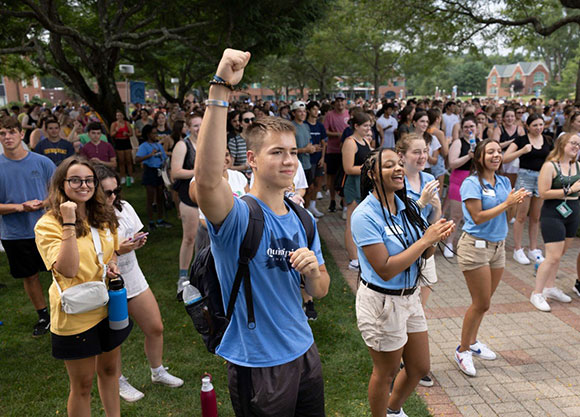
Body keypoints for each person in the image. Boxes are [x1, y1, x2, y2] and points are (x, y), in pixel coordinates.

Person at [194, 49, 329, 416]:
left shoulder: (303, 219)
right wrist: (220, 88)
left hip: (304, 352)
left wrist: (314, 271)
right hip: (257, 363)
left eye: (292, 152)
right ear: (251, 159)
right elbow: (206, 180)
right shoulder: (238, 216)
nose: (289, 160)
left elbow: (320, 290)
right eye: (277, 153)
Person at [352, 148, 454, 417]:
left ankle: (393, 409)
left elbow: (426, 252)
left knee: (419, 367)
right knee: (385, 373)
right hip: (383, 302)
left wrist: (434, 237)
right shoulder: (364, 215)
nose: (398, 168)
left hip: (410, 296)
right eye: (389, 165)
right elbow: (385, 269)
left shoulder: (407, 204)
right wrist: (425, 240)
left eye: (399, 163)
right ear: (373, 174)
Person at [34, 156, 132, 417]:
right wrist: (68, 222)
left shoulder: (103, 215)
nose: (84, 185)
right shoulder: (48, 224)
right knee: (82, 385)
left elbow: (111, 250)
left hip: (108, 307)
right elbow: (67, 269)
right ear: (61, 184)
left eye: (89, 180)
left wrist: (112, 264)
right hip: (75, 314)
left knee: (111, 372)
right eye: (75, 180)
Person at [94, 165, 183, 402]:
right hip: (105, 285)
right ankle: (118, 380)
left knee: (155, 327)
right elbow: (87, 257)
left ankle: (158, 371)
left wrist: (134, 242)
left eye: (116, 191)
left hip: (132, 277)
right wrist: (117, 249)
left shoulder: (123, 207)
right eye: (107, 192)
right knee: (113, 338)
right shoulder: (88, 218)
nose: (113, 197)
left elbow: (136, 231)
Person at [454, 139, 528, 377]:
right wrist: (507, 202)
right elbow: (477, 217)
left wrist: (515, 203)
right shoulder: (471, 183)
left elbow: (509, 215)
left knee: (484, 303)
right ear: (479, 156)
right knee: (481, 303)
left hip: (498, 247)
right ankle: (462, 350)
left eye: (499, 151)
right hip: (475, 247)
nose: (497, 155)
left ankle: (473, 342)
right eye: (491, 152)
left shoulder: (505, 181)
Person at [0, 116, 56, 336]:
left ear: (21, 134)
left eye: (11, 132)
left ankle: (67, 309)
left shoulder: (42, 162)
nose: (7, 137)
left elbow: (59, 192)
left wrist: (43, 204)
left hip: (47, 229)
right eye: (2, 134)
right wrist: (19, 207)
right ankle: (43, 316)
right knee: (30, 276)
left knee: (58, 271)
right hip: (15, 234)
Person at [397, 133, 442, 387]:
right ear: (401, 155)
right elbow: (396, 220)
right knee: (405, 308)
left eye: (424, 151)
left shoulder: (429, 179)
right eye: (416, 152)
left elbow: (436, 219)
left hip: (426, 251)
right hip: (404, 251)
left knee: (418, 310)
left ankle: (414, 360)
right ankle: (404, 359)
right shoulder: (396, 180)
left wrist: (435, 210)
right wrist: (422, 201)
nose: (423, 156)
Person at [530, 133, 580, 311]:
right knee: (553, 256)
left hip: (573, 214)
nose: (576, 147)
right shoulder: (549, 166)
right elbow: (543, 193)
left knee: (561, 253)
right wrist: (569, 190)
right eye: (573, 143)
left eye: (578, 144)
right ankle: (537, 293)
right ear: (562, 144)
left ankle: (550, 288)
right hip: (553, 214)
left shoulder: (578, 166)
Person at [504, 114, 552, 265]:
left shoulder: (548, 140)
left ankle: (533, 248)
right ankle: (518, 249)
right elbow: (505, 158)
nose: (538, 128)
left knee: (536, 217)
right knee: (521, 216)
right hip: (525, 177)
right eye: (535, 125)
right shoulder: (521, 140)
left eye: (541, 125)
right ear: (528, 126)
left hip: (542, 178)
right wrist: (522, 151)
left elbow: (553, 158)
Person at [172, 112, 202, 298]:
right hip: (188, 198)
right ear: (188, 128)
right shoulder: (182, 146)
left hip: (206, 197)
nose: (199, 128)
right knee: (190, 238)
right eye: (195, 125)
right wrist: (197, 171)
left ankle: (202, 273)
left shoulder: (207, 143)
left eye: (201, 124)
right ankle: (183, 277)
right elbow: (175, 172)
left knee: (206, 239)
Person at [442, 115, 479, 258]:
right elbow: (452, 163)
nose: (469, 129)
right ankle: (449, 242)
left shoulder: (479, 143)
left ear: (476, 128)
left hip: (475, 182)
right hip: (459, 181)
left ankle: (470, 244)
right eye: (466, 127)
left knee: (474, 215)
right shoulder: (458, 143)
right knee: (456, 215)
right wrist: (469, 156)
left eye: (471, 126)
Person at [342, 112, 373, 271]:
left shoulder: (365, 141)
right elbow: (348, 168)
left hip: (364, 185)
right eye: (365, 126)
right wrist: (368, 169)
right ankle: (353, 259)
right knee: (351, 222)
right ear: (356, 126)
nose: (368, 129)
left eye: (369, 126)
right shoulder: (350, 142)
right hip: (353, 185)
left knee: (362, 222)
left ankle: (360, 254)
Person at [135, 125, 172, 230]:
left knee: (160, 196)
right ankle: (151, 221)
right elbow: (137, 159)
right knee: (150, 197)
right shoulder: (144, 146)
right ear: (148, 134)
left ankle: (160, 219)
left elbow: (164, 157)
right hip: (150, 172)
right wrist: (149, 155)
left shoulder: (158, 145)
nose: (156, 135)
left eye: (156, 133)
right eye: (154, 133)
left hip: (159, 171)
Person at [323, 93, 349, 212]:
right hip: (332, 150)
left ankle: (344, 202)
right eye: (338, 101)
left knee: (344, 177)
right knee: (332, 177)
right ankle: (332, 200)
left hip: (346, 151)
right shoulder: (329, 115)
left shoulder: (348, 114)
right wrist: (338, 135)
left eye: (342, 100)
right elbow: (325, 131)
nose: (340, 103)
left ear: (345, 101)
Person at [492, 107, 525, 188]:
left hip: (515, 156)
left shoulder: (520, 129)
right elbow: (495, 144)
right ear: (503, 118)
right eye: (507, 116)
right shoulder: (499, 129)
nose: (510, 118)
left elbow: (524, 144)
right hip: (501, 156)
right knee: (501, 179)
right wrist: (512, 141)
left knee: (512, 181)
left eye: (512, 116)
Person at [304, 101, 327, 217]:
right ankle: (306, 208)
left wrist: (323, 157)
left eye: (317, 109)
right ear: (308, 110)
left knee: (318, 184)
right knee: (309, 186)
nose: (316, 112)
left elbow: (324, 143)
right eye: (313, 109)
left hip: (319, 159)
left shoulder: (320, 126)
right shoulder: (304, 125)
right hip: (308, 160)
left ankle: (313, 206)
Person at [110, 110, 134, 186]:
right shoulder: (114, 124)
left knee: (129, 160)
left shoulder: (127, 123)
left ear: (123, 116)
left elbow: (131, 133)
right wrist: (116, 131)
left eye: (120, 115)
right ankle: (122, 176)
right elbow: (111, 134)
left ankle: (130, 176)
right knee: (121, 161)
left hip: (126, 141)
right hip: (119, 142)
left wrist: (127, 134)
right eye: (117, 116)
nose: (119, 117)